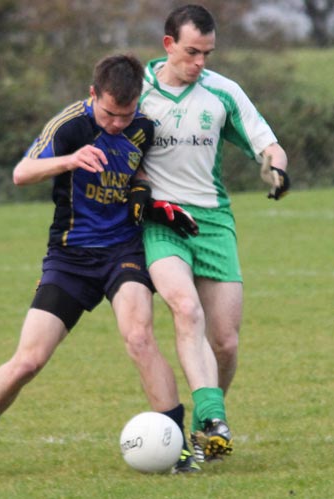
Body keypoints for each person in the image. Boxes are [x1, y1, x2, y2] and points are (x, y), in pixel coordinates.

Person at [0, 54, 201, 478]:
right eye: (109, 113)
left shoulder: (144, 126)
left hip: (123, 251)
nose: (118, 124)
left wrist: (145, 197)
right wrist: (68, 160)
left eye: (126, 113)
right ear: (92, 95)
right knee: (28, 361)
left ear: (138, 102)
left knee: (139, 337)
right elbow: (21, 172)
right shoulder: (70, 124)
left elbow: (138, 173)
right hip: (69, 258)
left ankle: (176, 448)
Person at [130, 4, 290, 462]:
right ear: (168, 45)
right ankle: (212, 419)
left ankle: (210, 424)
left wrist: (277, 169)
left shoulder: (223, 92)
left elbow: (268, 144)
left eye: (208, 53)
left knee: (225, 341)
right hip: (161, 221)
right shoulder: (139, 90)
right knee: (185, 307)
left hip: (214, 223)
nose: (201, 62)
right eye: (192, 52)